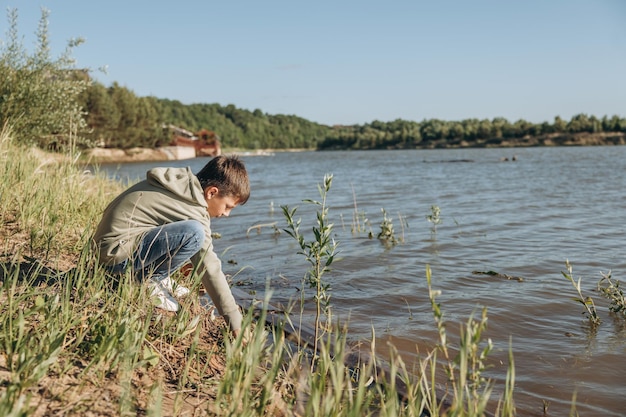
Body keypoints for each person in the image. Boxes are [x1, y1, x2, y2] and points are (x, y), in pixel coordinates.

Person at [93, 155, 249, 335]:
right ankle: (147, 281)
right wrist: (234, 320)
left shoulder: (181, 187)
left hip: (109, 248)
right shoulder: (194, 210)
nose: (226, 214)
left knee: (189, 234)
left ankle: (153, 275)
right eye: (228, 206)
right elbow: (209, 265)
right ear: (212, 192)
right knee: (194, 233)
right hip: (115, 258)